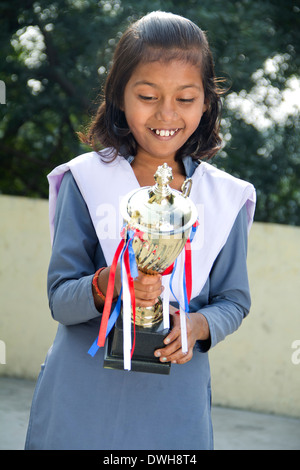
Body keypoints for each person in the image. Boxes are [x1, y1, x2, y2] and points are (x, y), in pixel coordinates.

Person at [25, 11, 256, 450]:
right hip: (80, 400)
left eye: (186, 99)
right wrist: (108, 284)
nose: (166, 113)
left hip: (173, 407)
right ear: (119, 97)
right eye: (148, 95)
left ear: (206, 102)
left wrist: (198, 324)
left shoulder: (224, 196)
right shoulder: (84, 180)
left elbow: (234, 300)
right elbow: (60, 299)